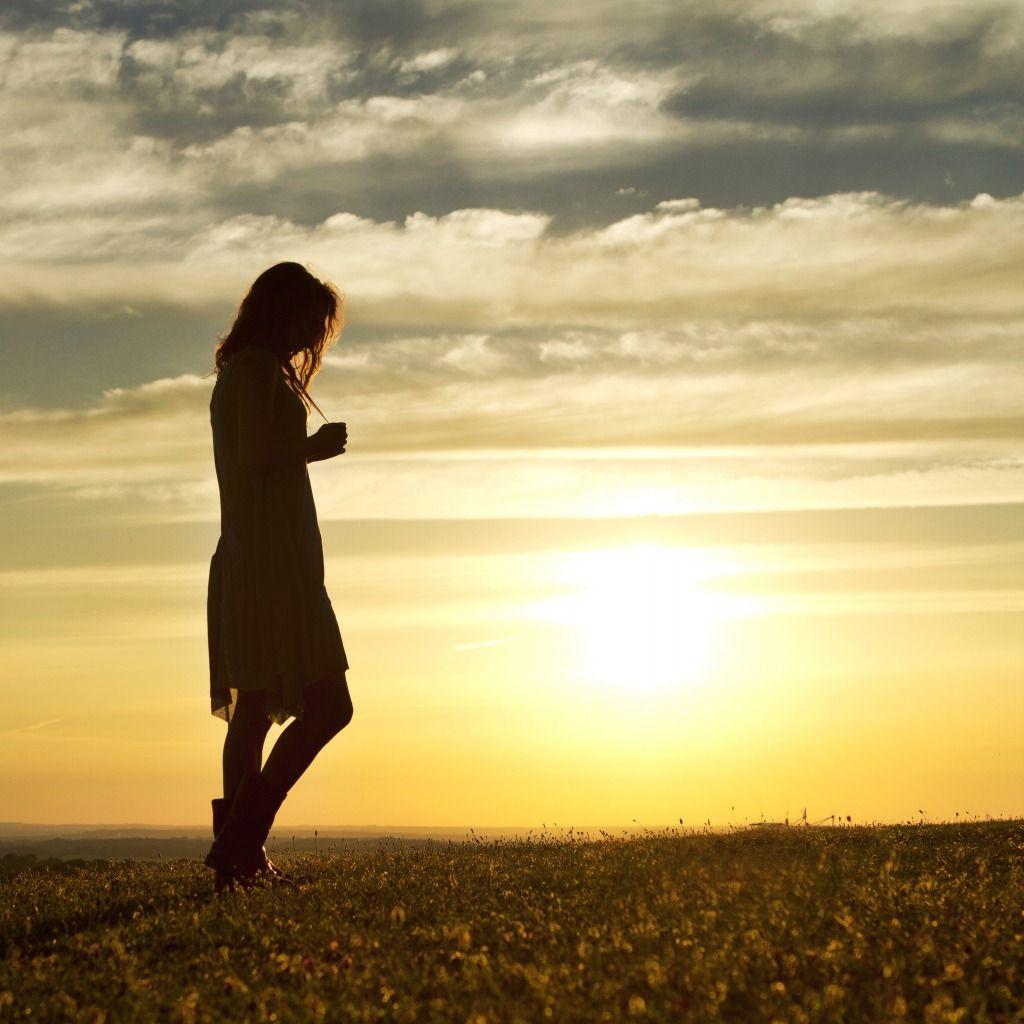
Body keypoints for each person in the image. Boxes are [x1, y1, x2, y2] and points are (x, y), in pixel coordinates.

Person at [203, 262, 354, 891]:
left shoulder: (251, 371)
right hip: (270, 568)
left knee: (257, 709)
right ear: (279, 309)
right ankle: (241, 840)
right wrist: (310, 448)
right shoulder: (255, 372)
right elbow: (253, 457)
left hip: (266, 561)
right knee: (327, 706)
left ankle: (239, 854)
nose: (310, 335)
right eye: (307, 319)